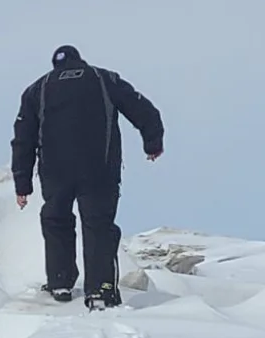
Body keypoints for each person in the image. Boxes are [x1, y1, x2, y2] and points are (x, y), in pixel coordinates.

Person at [11, 44, 165, 309]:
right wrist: (153, 143)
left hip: (55, 171)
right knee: (98, 226)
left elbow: (22, 140)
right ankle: (101, 291)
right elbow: (143, 109)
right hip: (99, 168)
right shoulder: (105, 79)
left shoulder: (37, 89)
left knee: (56, 220)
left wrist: (22, 184)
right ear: (80, 61)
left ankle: (60, 282)